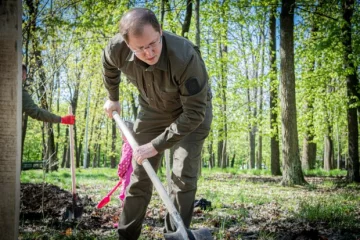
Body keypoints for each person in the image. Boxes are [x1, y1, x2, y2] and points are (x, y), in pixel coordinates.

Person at [102, 8, 212, 240]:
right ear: (127, 44)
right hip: (152, 110)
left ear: (160, 31)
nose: (149, 52)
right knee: (140, 176)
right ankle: (126, 235)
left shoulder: (185, 56)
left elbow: (194, 113)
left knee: (182, 176)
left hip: (191, 113)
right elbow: (108, 65)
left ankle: (175, 235)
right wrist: (113, 97)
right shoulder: (116, 49)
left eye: (153, 43)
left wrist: (155, 146)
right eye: (139, 48)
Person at [117, 121, 134, 204]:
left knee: (126, 196)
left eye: (121, 132)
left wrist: (120, 173)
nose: (121, 135)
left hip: (128, 176)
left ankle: (126, 213)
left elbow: (124, 161)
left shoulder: (128, 144)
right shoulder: (137, 143)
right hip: (137, 175)